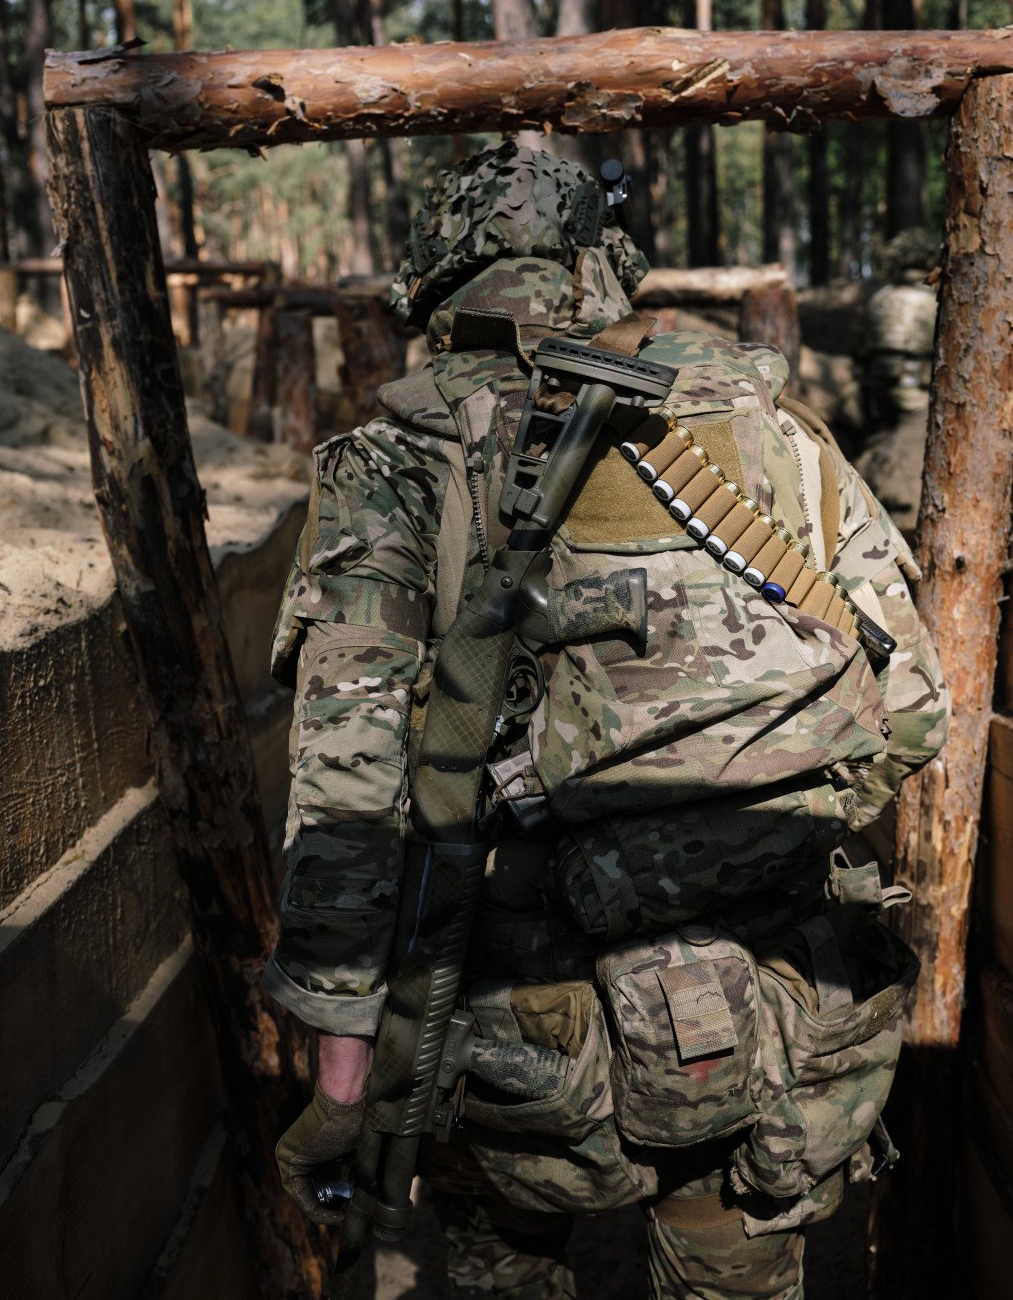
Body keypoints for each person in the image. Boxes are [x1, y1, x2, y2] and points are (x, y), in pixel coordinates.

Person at [263, 141, 950, 1300]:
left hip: (518, 1014)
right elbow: (917, 711)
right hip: (782, 992)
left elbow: (349, 775)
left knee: (502, 1260)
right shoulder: (770, 428)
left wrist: (342, 1052)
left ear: (437, 275)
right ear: (603, 266)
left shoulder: (396, 458)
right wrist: (743, 837)